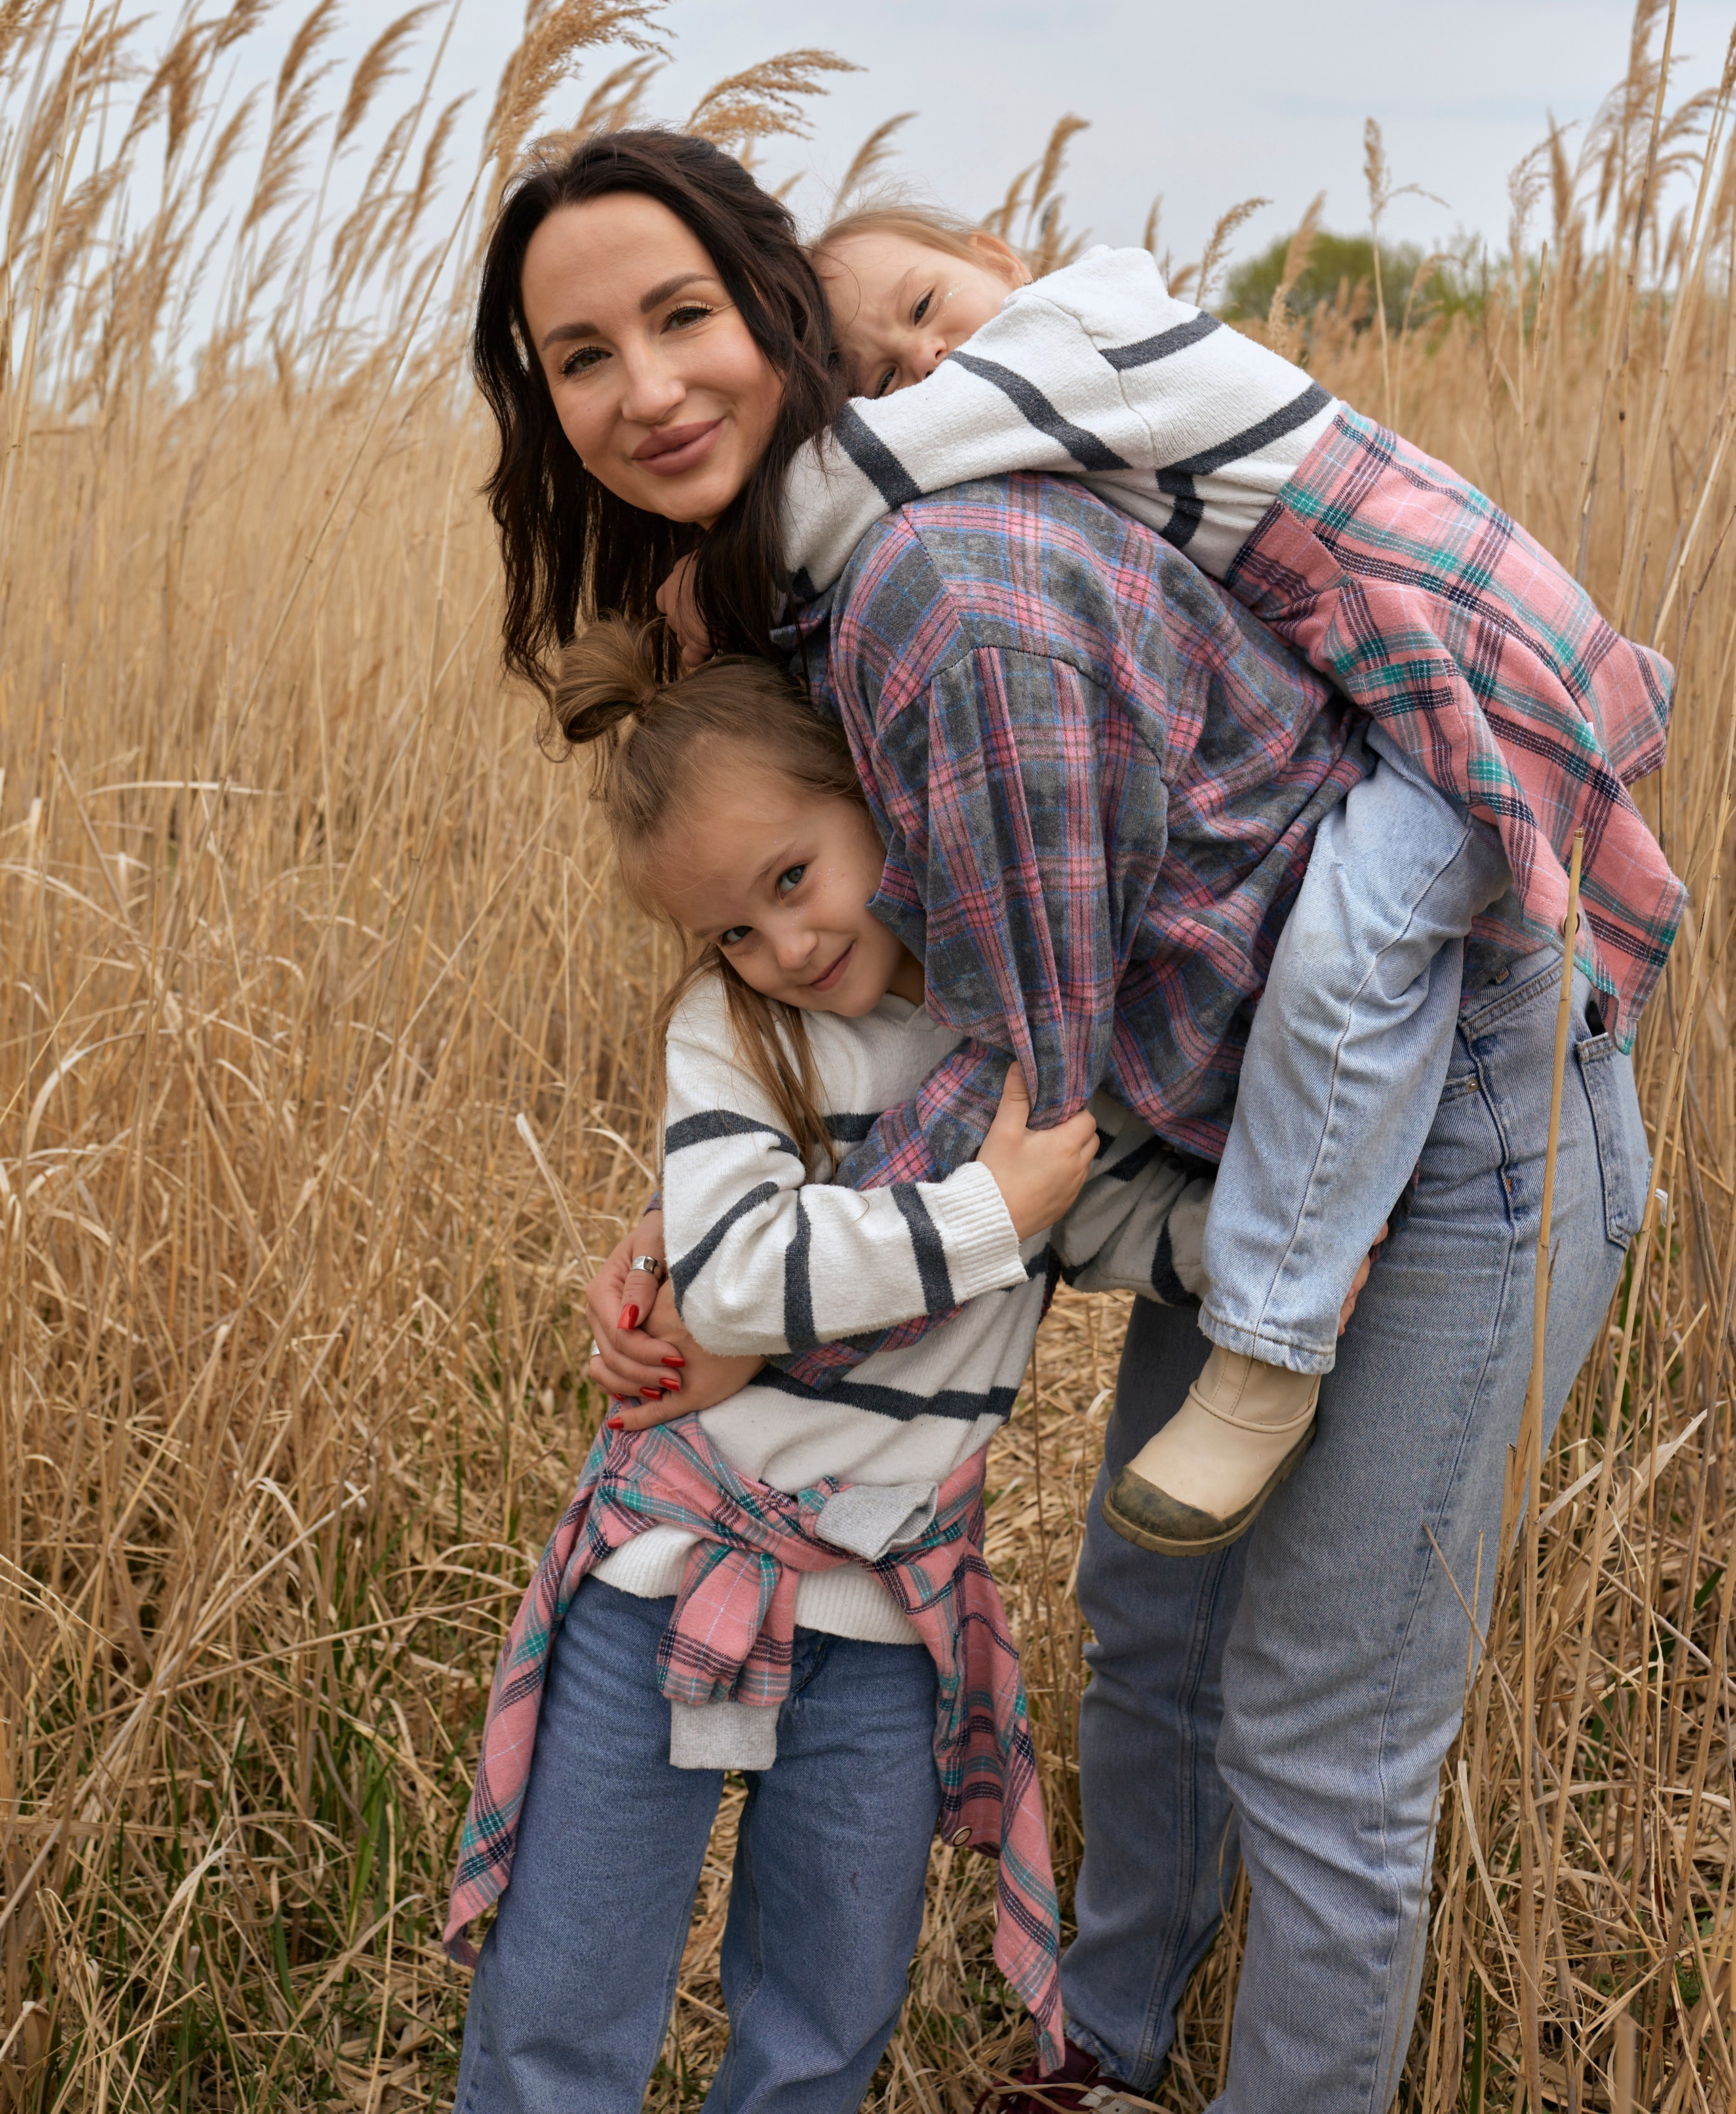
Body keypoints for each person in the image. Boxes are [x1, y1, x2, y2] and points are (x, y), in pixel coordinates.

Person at [473, 128, 1656, 2114]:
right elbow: (884, 1009)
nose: (646, 388)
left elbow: (1030, 1092)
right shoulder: (820, 592)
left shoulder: (946, 587)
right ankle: (1100, 2063)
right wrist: (708, 1235)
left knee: (1316, 1733)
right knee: (1156, 1636)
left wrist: (748, 1296)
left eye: (684, 318)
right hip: (1247, 1145)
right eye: (580, 356)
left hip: (1454, 1126)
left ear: (780, 317)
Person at [713, 201, 1680, 1552]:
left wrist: (732, 565)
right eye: (874, 372)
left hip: (1446, 651)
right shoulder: (1048, 423)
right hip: (1382, 677)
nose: (920, 372)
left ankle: (1270, 1347)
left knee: (1358, 945)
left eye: (926, 309)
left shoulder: (1084, 333)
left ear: (1004, 258)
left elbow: (862, 481)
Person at [446, 619, 1214, 2113]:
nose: (783, 947)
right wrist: (993, 1209)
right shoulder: (735, 1038)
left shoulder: (1012, 1038)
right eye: (734, 925)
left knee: (827, 2012)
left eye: (793, 879)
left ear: (883, 800)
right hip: (668, 1566)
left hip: (886, 1614)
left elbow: (1108, 1217)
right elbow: (734, 1273)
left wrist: (1271, 1265)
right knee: (562, 1995)